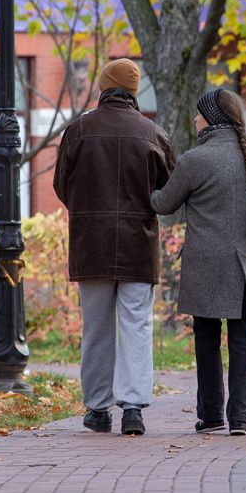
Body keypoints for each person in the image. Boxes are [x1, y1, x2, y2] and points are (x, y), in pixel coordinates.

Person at [150, 88, 246, 436]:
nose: (195, 120)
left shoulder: (194, 160)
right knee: (242, 340)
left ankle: (211, 414)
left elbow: (163, 204)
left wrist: (146, 189)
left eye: (199, 115)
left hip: (204, 266)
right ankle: (239, 419)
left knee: (207, 338)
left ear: (211, 118)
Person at [53, 59, 175, 436]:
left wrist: (87, 213)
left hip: (91, 244)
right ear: (134, 91)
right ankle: (134, 408)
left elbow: (62, 185)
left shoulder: (78, 131)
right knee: (136, 324)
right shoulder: (154, 134)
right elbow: (167, 190)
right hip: (139, 244)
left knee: (96, 327)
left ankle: (97, 407)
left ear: (103, 87)